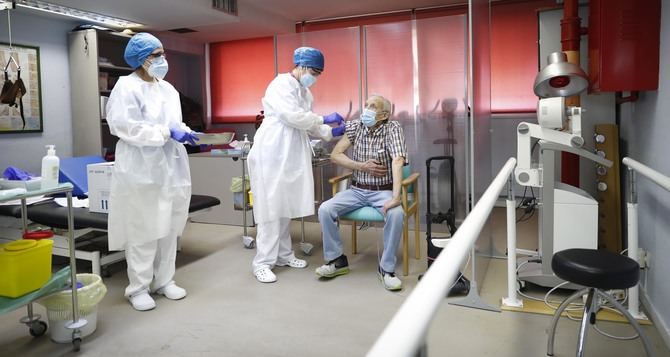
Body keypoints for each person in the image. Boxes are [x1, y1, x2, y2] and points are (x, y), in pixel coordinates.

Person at [106, 32, 200, 311]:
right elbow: (124, 126)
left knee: (170, 227)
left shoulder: (168, 89)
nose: (163, 59)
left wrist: (184, 132)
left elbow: (175, 123)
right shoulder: (126, 87)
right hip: (140, 166)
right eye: (156, 55)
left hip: (170, 165)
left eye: (163, 54)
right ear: (141, 59)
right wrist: (164, 132)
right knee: (144, 228)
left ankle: (164, 281)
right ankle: (138, 288)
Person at [247, 47, 345, 283]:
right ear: (300, 66)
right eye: (313, 71)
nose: (315, 76)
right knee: (271, 207)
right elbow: (291, 116)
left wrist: (330, 132)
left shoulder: (305, 93)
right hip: (273, 150)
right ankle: (262, 263)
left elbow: (308, 124)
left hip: (290, 152)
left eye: (319, 73)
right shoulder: (281, 84)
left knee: (284, 205)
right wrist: (324, 119)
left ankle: (283, 254)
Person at [316, 94, 407, 291]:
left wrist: (396, 197)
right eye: (366, 105)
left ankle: (387, 269)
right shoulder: (356, 126)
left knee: (397, 213)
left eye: (372, 106)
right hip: (356, 190)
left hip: (382, 191)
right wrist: (361, 166)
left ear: (383, 115)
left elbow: (398, 160)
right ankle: (336, 260)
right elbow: (335, 155)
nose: (366, 109)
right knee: (325, 209)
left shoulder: (392, 128)